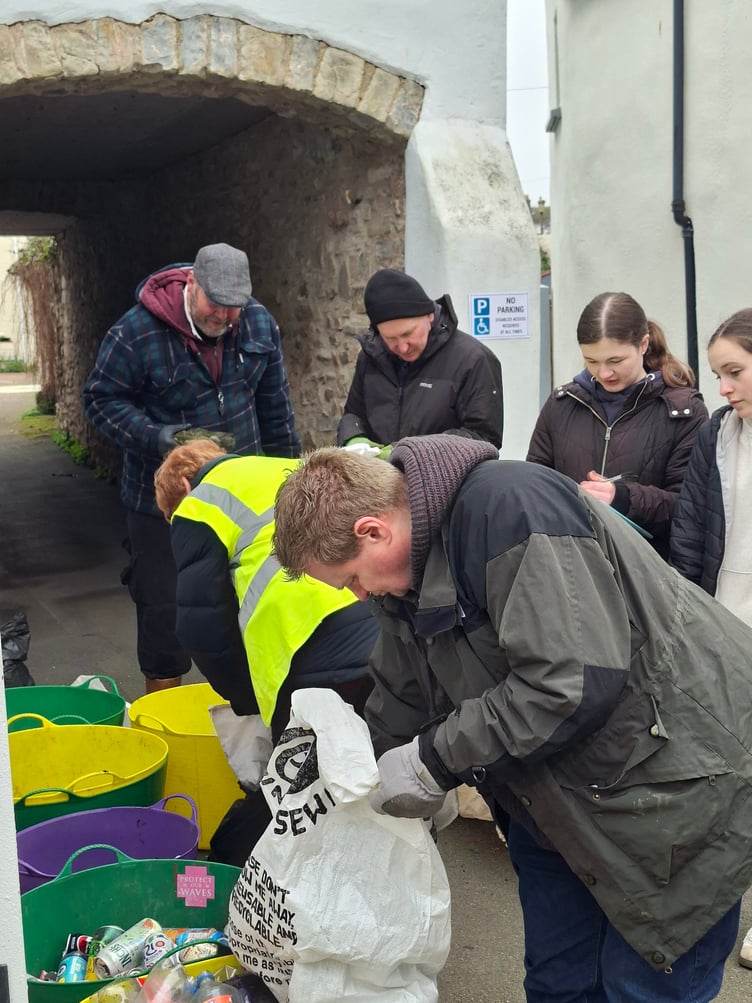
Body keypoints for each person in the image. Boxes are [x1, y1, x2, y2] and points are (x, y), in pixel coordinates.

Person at [272, 433, 752, 1002]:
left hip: (670, 785)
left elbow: (569, 681)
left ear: (373, 530)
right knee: (559, 983)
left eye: (351, 578)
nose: (357, 595)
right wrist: (349, 772)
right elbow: (404, 693)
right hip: (553, 797)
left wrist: (434, 762)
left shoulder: (510, 509)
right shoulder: (402, 577)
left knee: (641, 987)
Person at [83, 243, 301, 694]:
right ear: (191, 284)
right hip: (159, 502)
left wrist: (291, 481)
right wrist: (155, 436)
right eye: (215, 304)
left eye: (234, 307)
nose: (225, 317)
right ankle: (166, 712)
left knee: (253, 596)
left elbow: (275, 408)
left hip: (242, 497)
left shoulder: (258, 323)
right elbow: (101, 400)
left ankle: (255, 708)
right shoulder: (136, 332)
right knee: (165, 609)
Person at [154, 439, 378, 864]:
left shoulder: (200, 504)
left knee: (296, 786)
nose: (173, 522)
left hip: (302, 648)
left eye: (169, 514)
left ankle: (247, 875)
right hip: (372, 618)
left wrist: (245, 697)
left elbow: (201, 626)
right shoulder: (289, 466)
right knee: (372, 762)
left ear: (184, 483)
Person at [669, 308, 752, 968]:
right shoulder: (717, 435)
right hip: (725, 632)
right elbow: (690, 536)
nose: (723, 389)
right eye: (720, 374)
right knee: (727, 783)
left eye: (736, 372)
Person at [527, 291, 707, 557]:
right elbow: (535, 484)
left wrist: (622, 498)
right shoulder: (561, 405)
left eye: (615, 361)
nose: (604, 373)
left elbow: (692, 508)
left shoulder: (685, 412)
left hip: (648, 571)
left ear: (643, 344)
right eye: (591, 361)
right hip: (571, 568)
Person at [336, 268, 503, 452]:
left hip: (448, 480)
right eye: (390, 339)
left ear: (429, 316)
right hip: (380, 479)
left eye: (408, 333)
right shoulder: (371, 356)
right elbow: (354, 414)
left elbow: (483, 437)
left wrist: (409, 452)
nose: (403, 347)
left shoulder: (474, 360)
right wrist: (354, 439)